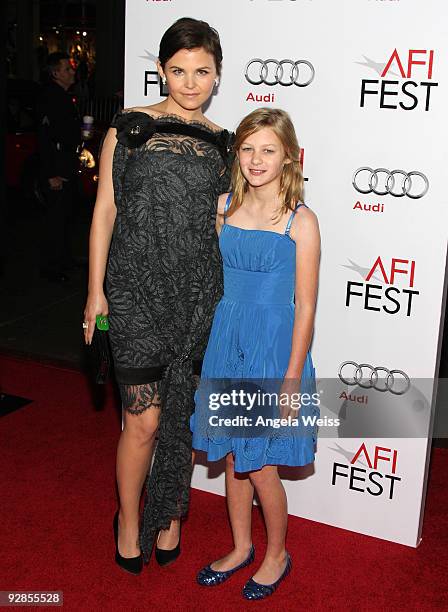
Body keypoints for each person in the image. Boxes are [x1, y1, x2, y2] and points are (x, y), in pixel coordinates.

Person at [83, 17, 233, 573]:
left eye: (202, 72)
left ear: (217, 76)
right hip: (133, 292)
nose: (190, 82)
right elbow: (104, 212)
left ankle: (168, 514)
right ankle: (127, 517)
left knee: (179, 418)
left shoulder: (223, 143)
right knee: (141, 420)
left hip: (196, 296)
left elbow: (219, 226)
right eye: (178, 70)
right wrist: (94, 292)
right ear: (161, 70)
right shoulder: (130, 129)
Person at [191, 108, 320, 600]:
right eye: (247, 148)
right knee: (231, 458)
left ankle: (276, 555)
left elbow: (305, 307)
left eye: (268, 149)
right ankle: (242, 546)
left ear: (289, 156)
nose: (256, 159)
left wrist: (291, 377)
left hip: (272, 351)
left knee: (261, 464)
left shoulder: (301, 221)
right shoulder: (222, 207)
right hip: (229, 340)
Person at [36, 52, 80, 283]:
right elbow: (44, 138)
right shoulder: (50, 97)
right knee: (54, 217)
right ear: (54, 73)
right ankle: (50, 267)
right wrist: (50, 173)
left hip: (67, 163)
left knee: (66, 214)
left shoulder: (64, 96)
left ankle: (64, 259)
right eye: (66, 69)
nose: (72, 72)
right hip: (56, 165)